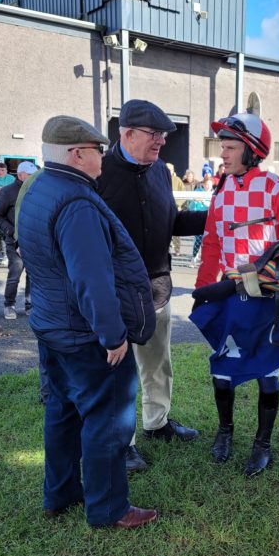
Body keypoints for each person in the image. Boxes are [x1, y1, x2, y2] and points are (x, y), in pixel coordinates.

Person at [17, 114, 157, 529]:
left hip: (52, 326)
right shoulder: (77, 202)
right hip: (83, 334)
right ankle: (109, 508)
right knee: (108, 420)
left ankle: (59, 494)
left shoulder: (38, 186)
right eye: (98, 150)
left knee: (62, 412)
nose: (103, 156)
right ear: (77, 154)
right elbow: (92, 279)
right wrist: (113, 336)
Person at [195, 112, 279, 477]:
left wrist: (268, 273)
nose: (223, 154)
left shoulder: (278, 189)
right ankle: (225, 431)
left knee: (268, 370)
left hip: (269, 301)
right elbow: (212, 244)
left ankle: (262, 443)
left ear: (251, 150)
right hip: (231, 296)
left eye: (230, 147)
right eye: (222, 147)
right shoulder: (221, 191)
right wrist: (203, 289)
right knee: (222, 368)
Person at [97, 99, 207, 472]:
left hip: (157, 288)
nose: (162, 141)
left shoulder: (160, 171)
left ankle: (156, 423)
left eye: (163, 134)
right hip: (115, 292)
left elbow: (170, 222)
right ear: (127, 133)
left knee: (158, 362)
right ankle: (122, 442)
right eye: (154, 134)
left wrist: (215, 216)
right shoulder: (100, 172)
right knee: (119, 371)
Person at [0, 161, 38, 320]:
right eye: (30, 175)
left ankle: (30, 305)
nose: (33, 177)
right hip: (14, 240)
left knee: (33, 275)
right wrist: (11, 232)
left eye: (34, 174)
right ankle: (9, 305)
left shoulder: (37, 190)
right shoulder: (7, 191)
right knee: (15, 273)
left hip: (33, 240)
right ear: (20, 175)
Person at [188, 173, 212, 268]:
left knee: (208, 242)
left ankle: (205, 260)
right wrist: (194, 202)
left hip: (209, 219)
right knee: (198, 240)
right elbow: (190, 207)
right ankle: (194, 258)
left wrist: (203, 201)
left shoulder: (214, 193)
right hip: (198, 219)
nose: (208, 186)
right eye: (206, 185)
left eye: (209, 185)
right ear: (203, 185)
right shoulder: (197, 192)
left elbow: (212, 207)